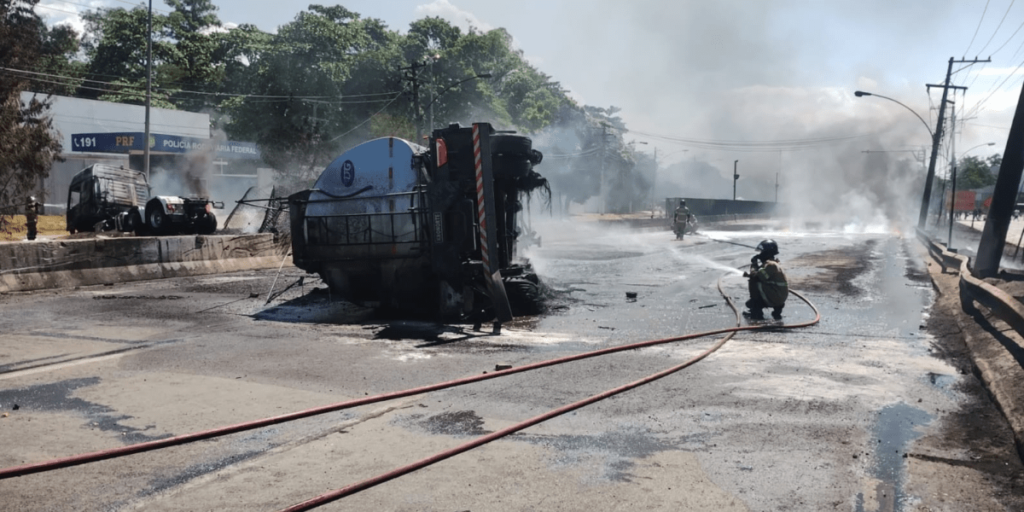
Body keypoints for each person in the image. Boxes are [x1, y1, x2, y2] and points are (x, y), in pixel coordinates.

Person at [743, 239, 788, 320]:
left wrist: (754, 264)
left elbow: (757, 276)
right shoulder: (774, 263)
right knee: (757, 279)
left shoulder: (770, 265)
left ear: (767, 253)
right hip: (779, 298)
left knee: (753, 281)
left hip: (775, 298)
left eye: (761, 252)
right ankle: (777, 311)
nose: (760, 254)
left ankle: (756, 309)